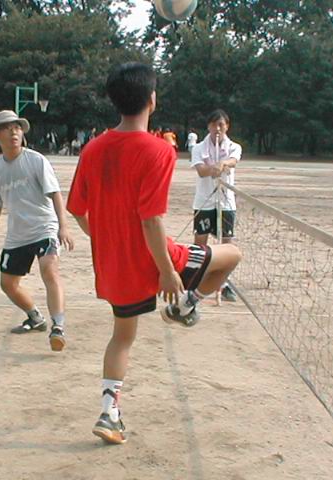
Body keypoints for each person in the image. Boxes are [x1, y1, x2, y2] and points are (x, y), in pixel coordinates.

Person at [66, 62, 241, 445]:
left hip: (113, 265)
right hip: (155, 258)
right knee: (232, 255)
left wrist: (106, 237)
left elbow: (76, 209)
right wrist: (166, 271)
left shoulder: (93, 148)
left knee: (122, 337)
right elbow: (150, 220)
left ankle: (109, 414)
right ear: (152, 99)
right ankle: (186, 305)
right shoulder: (159, 150)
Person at [0, 110, 74, 351]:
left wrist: (63, 226)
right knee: (8, 284)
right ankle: (35, 317)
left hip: (44, 227)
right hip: (17, 234)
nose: (14, 131)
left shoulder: (36, 160)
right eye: (7, 127)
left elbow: (55, 194)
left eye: (17, 127)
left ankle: (58, 327)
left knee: (49, 270)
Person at [190, 109, 242, 302]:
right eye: (214, 124)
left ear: (227, 126)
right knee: (200, 242)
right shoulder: (198, 148)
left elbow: (233, 161)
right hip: (204, 200)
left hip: (226, 201)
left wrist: (223, 163)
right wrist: (214, 168)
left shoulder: (234, 147)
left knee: (227, 242)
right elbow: (201, 170)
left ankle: (224, 283)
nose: (217, 129)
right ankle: (196, 278)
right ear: (208, 126)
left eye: (221, 125)